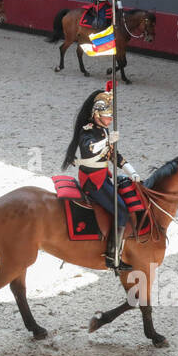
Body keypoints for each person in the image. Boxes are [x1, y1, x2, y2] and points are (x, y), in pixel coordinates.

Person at [63, 84, 143, 268]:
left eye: (110, 116)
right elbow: (90, 149)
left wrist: (131, 171)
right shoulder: (87, 131)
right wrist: (107, 141)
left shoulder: (103, 130)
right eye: (107, 116)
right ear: (97, 115)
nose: (110, 120)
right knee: (122, 211)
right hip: (92, 181)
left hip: (102, 175)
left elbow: (113, 155)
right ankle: (112, 256)